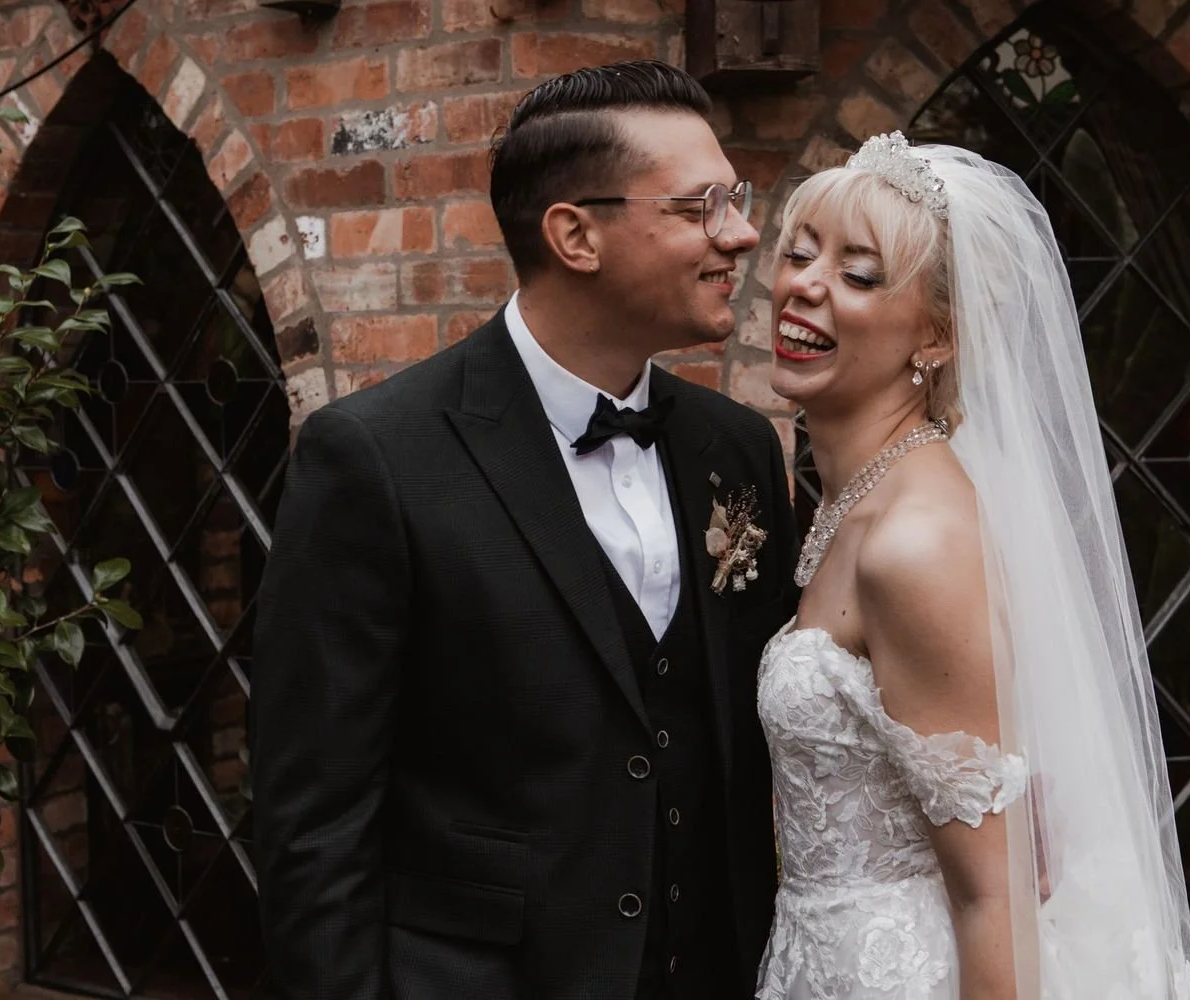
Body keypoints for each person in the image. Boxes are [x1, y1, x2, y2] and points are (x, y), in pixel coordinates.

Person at [249, 60, 799, 1000]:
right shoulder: (377, 458)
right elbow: (316, 823)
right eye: (700, 205)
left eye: (736, 199)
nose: (742, 233)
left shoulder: (739, 451)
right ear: (576, 234)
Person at [754, 132, 1190, 998]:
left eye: (860, 273)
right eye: (800, 253)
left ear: (939, 337)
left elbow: (998, 894)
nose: (805, 285)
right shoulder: (856, 500)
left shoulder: (917, 541)